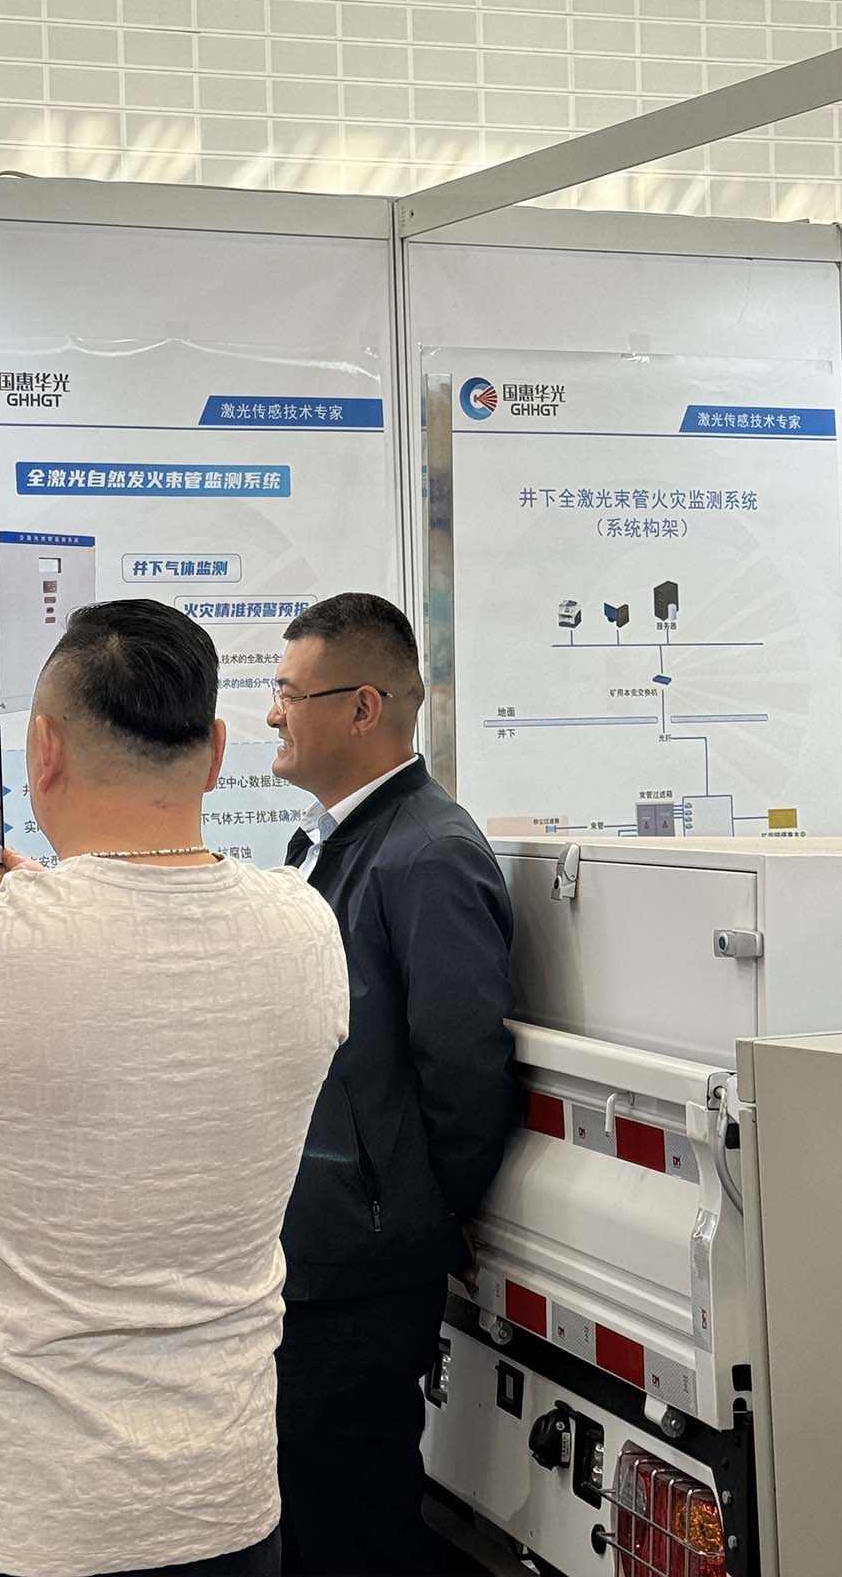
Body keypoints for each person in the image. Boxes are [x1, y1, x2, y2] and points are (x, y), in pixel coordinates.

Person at [0, 598, 348, 1577]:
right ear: (216, 751)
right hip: (225, 1502)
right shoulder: (305, 927)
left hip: (28, 1517)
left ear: (43, 750)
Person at [267, 593, 515, 1577]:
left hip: (366, 1269)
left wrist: (421, 1211)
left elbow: (464, 1070)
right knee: (307, 1514)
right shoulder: (338, 839)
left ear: (363, 707)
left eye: (289, 693)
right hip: (321, 1253)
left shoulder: (428, 853)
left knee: (352, 1529)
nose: (273, 714)